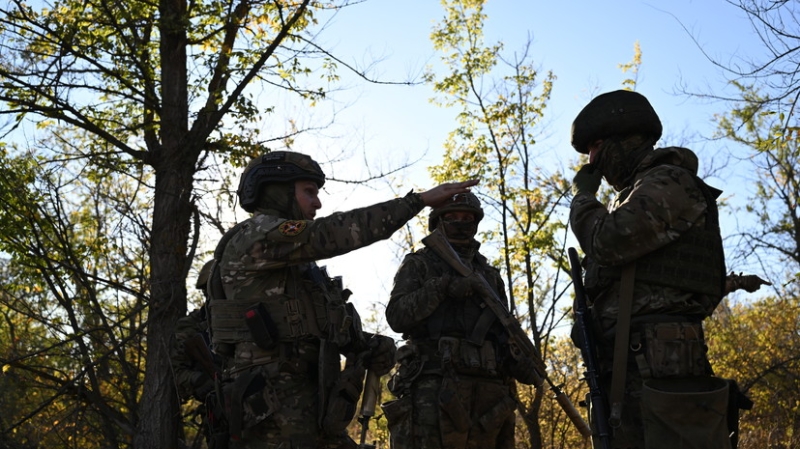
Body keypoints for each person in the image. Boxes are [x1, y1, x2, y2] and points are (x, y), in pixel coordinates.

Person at [205, 150, 478, 449]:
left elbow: (316, 325)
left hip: (312, 405)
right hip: (271, 410)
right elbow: (333, 233)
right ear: (276, 190)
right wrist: (417, 201)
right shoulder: (255, 236)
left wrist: (366, 343)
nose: (317, 202)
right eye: (309, 192)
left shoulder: (294, 264)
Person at [568, 90, 757, 449]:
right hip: (630, 364)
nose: (592, 162)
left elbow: (607, 240)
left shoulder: (669, 181)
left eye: (595, 147)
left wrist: (583, 199)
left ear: (623, 142)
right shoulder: (634, 193)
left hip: (659, 366)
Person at [382, 193, 539, 449]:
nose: (460, 223)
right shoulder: (419, 264)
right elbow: (397, 317)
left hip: (489, 397)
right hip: (435, 390)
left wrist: (522, 362)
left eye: (467, 218)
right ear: (438, 221)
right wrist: (442, 287)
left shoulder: (489, 275)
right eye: (451, 217)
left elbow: (503, 331)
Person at [170, 260, 228, 448]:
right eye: (207, 290)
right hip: (222, 414)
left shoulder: (244, 317)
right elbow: (175, 374)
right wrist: (199, 381)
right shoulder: (192, 326)